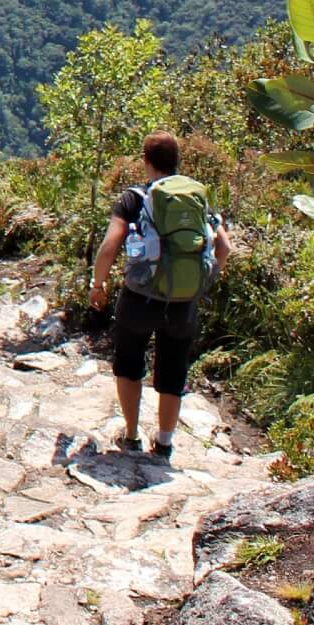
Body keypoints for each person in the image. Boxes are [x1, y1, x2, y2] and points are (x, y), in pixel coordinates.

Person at [88, 131, 229, 459]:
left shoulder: (135, 198)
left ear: (146, 160)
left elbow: (110, 246)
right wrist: (203, 280)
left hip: (139, 297)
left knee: (129, 363)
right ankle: (164, 442)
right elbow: (223, 246)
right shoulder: (197, 197)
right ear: (177, 160)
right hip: (183, 302)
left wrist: (98, 285)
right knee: (173, 368)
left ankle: (132, 434)